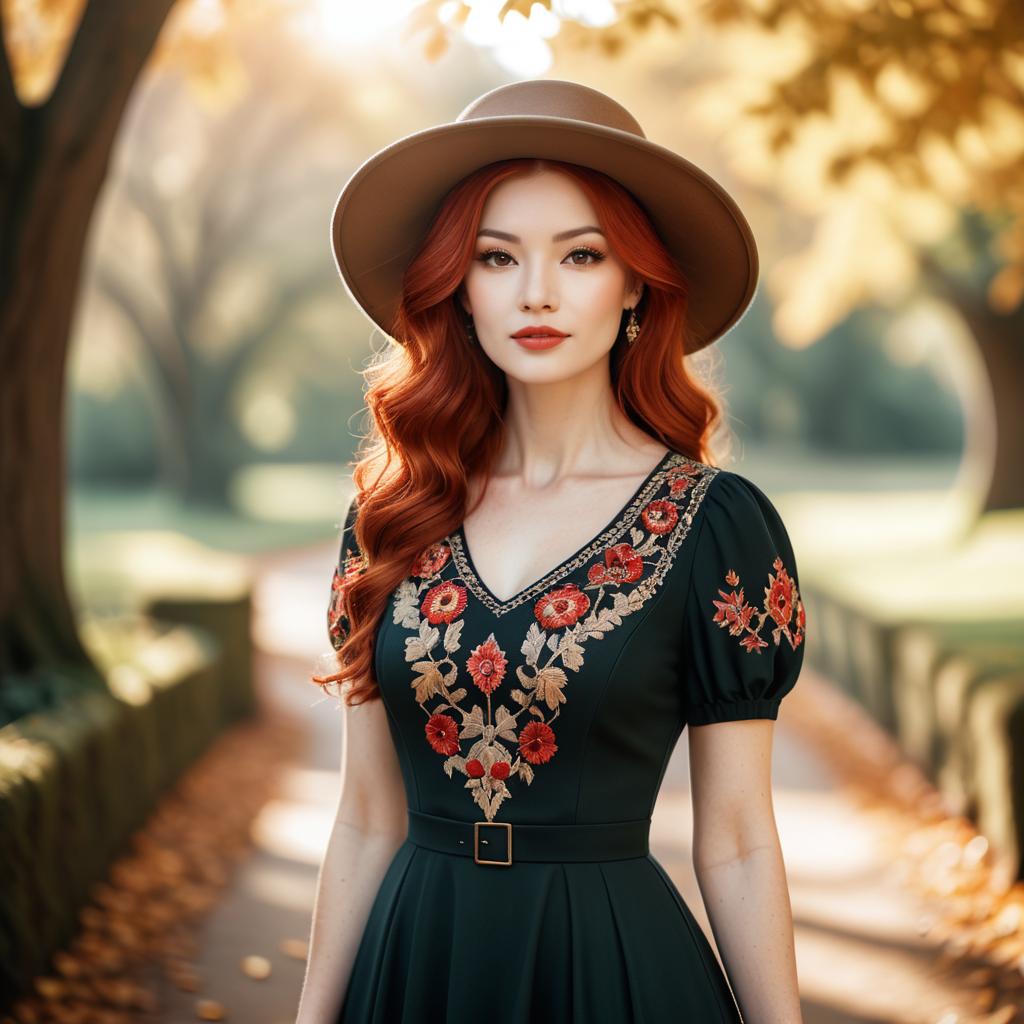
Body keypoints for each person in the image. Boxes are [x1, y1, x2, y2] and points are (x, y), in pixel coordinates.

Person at [297, 79, 807, 1024]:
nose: (536, 292)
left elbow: (735, 838)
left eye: (581, 254)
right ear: (458, 285)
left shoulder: (716, 526)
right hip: (415, 967)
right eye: (497, 257)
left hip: (613, 973)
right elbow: (366, 818)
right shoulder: (392, 517)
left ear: (635, 286)